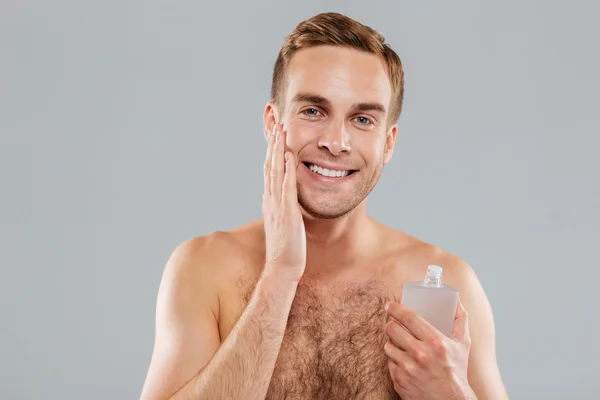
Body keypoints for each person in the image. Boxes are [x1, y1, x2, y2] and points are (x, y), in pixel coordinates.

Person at [140, 12, 509, 400]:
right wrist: (280, 275)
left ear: (387, 143)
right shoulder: (203, 269)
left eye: (363, 119)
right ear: (272, 122)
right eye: (313, 111)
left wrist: (453, 393)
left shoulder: (450, 283)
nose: (336, 142)